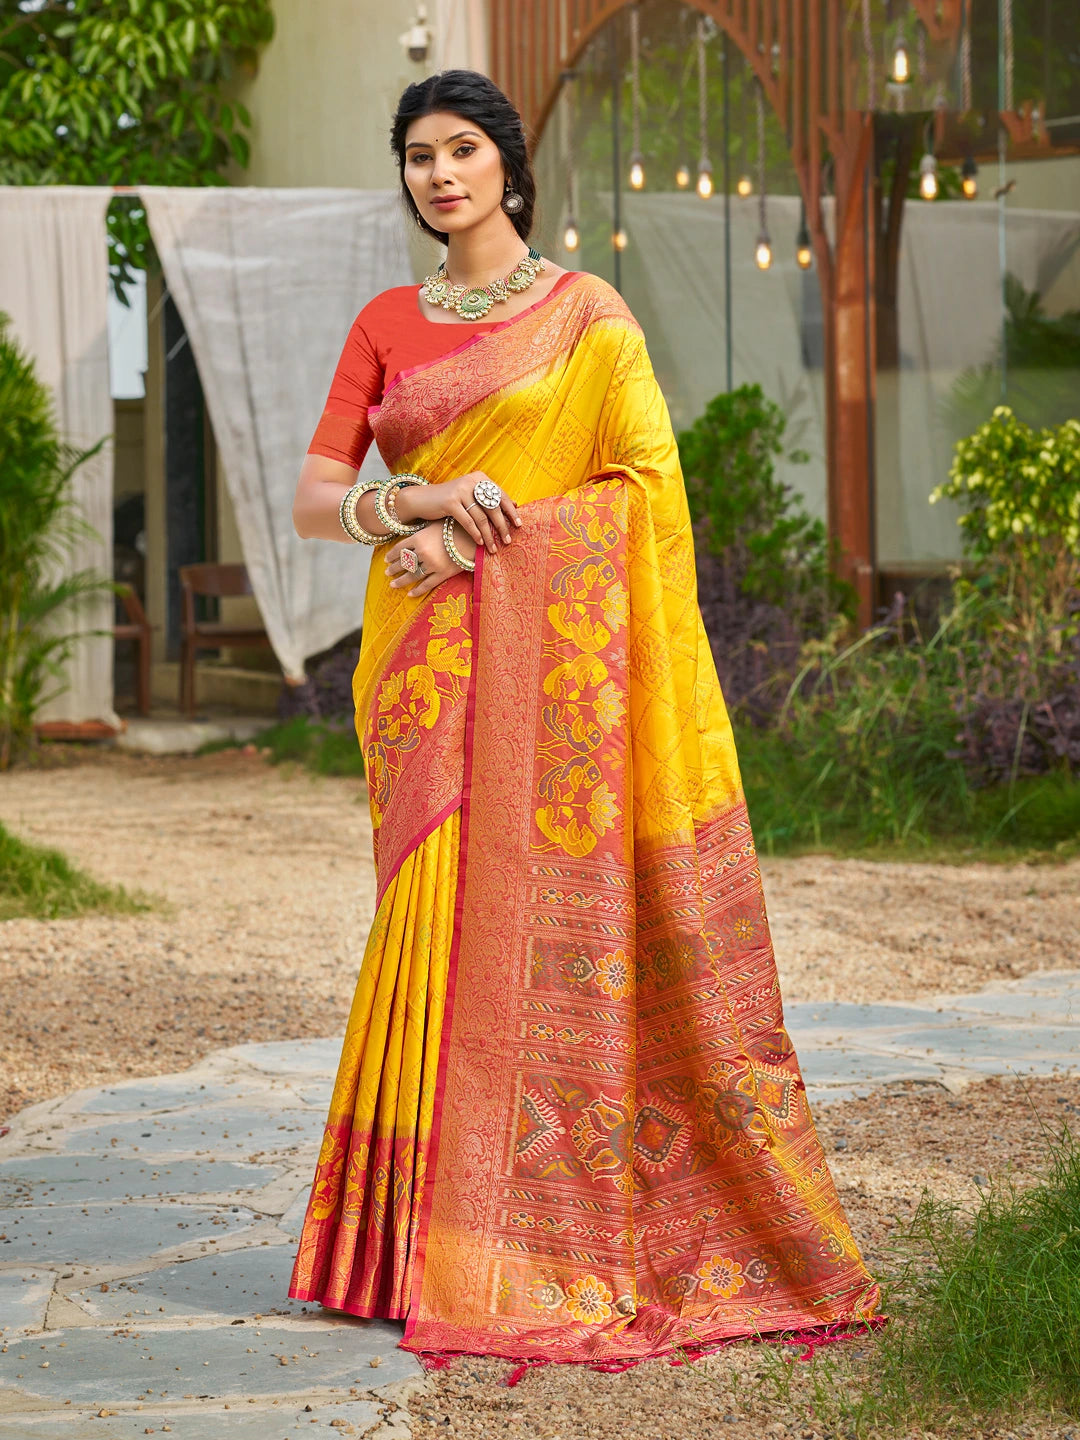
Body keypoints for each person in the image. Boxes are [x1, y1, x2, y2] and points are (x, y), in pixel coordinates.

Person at [288, 69, 877, 1367]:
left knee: (506, 931)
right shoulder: (388, 320)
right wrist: (427, 509)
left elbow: (645, 491)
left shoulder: (585, 316)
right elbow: (318, 500)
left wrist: (498, 545)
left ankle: (510, 1241)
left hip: (545, 676)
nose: (440, 174)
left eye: (462, 150)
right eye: (419, 157)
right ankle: (392, 1248)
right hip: (424, 677)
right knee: (423, 925)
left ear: (507, 162)